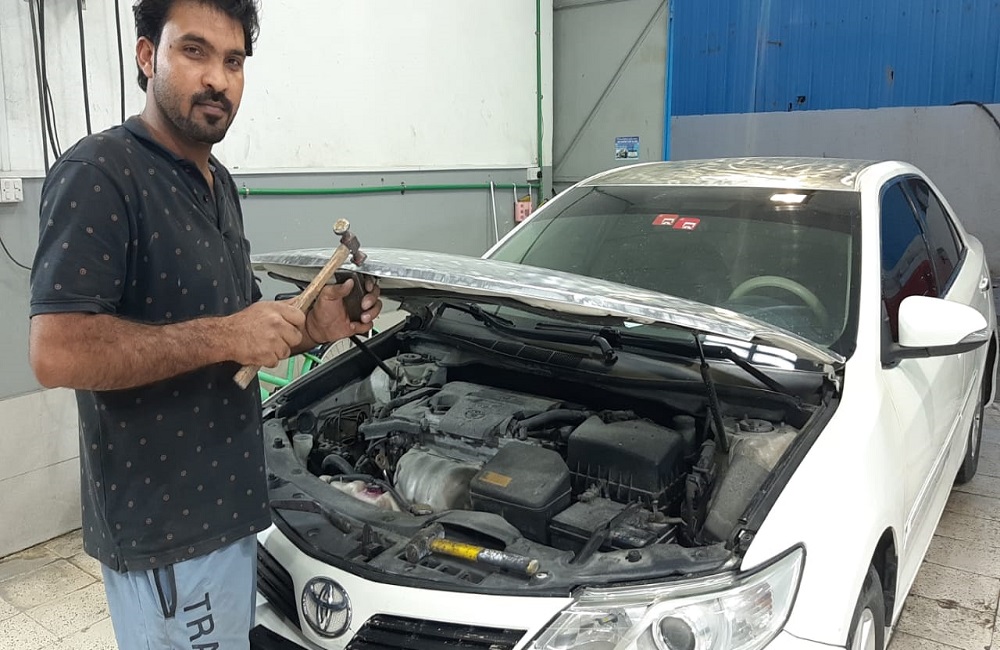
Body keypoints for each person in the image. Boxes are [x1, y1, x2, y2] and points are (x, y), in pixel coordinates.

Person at [27, 0, 382, 647]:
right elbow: (57, 351)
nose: (218, 78)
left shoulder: (217, 182)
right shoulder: (100, 173)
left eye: (234, 60)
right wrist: (225, 334)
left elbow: (244, 335)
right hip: (167, 534)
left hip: (228, 513)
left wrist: (318, 324)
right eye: (194, 51)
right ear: (147, 56)